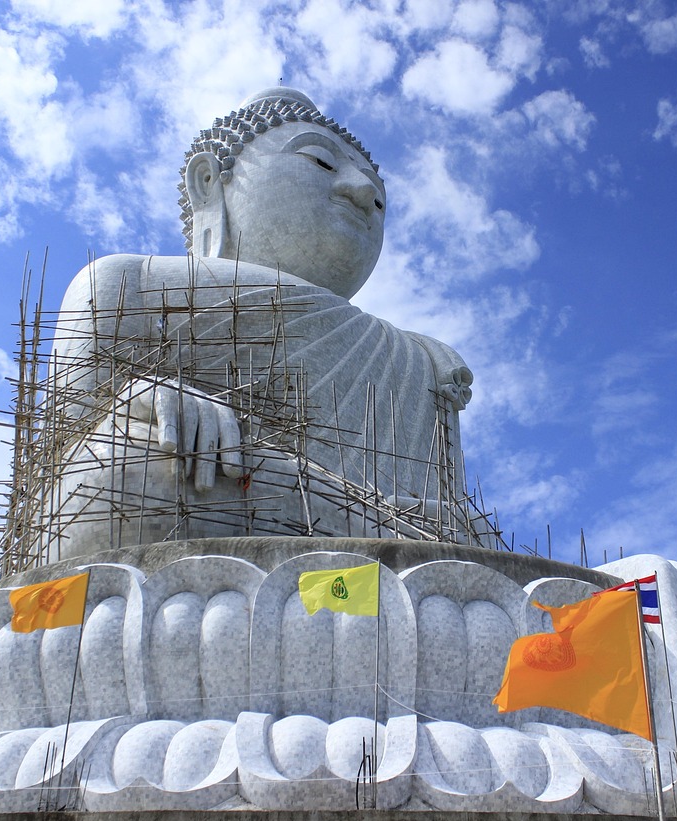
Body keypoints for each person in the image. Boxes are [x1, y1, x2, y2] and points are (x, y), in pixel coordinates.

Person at [39, 88, 486, 562]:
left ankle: (361, 530)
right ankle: (360, 528)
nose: (365, 192)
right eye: (321, 162)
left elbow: (445, 514)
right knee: (131, 467)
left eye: (379, 196)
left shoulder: (420, 358)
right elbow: (58, 470)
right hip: (206, 496)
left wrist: (451, 525)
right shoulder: (128, 280)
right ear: (209, 181)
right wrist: (142, 398)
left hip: (386, 546)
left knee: (469, 541)